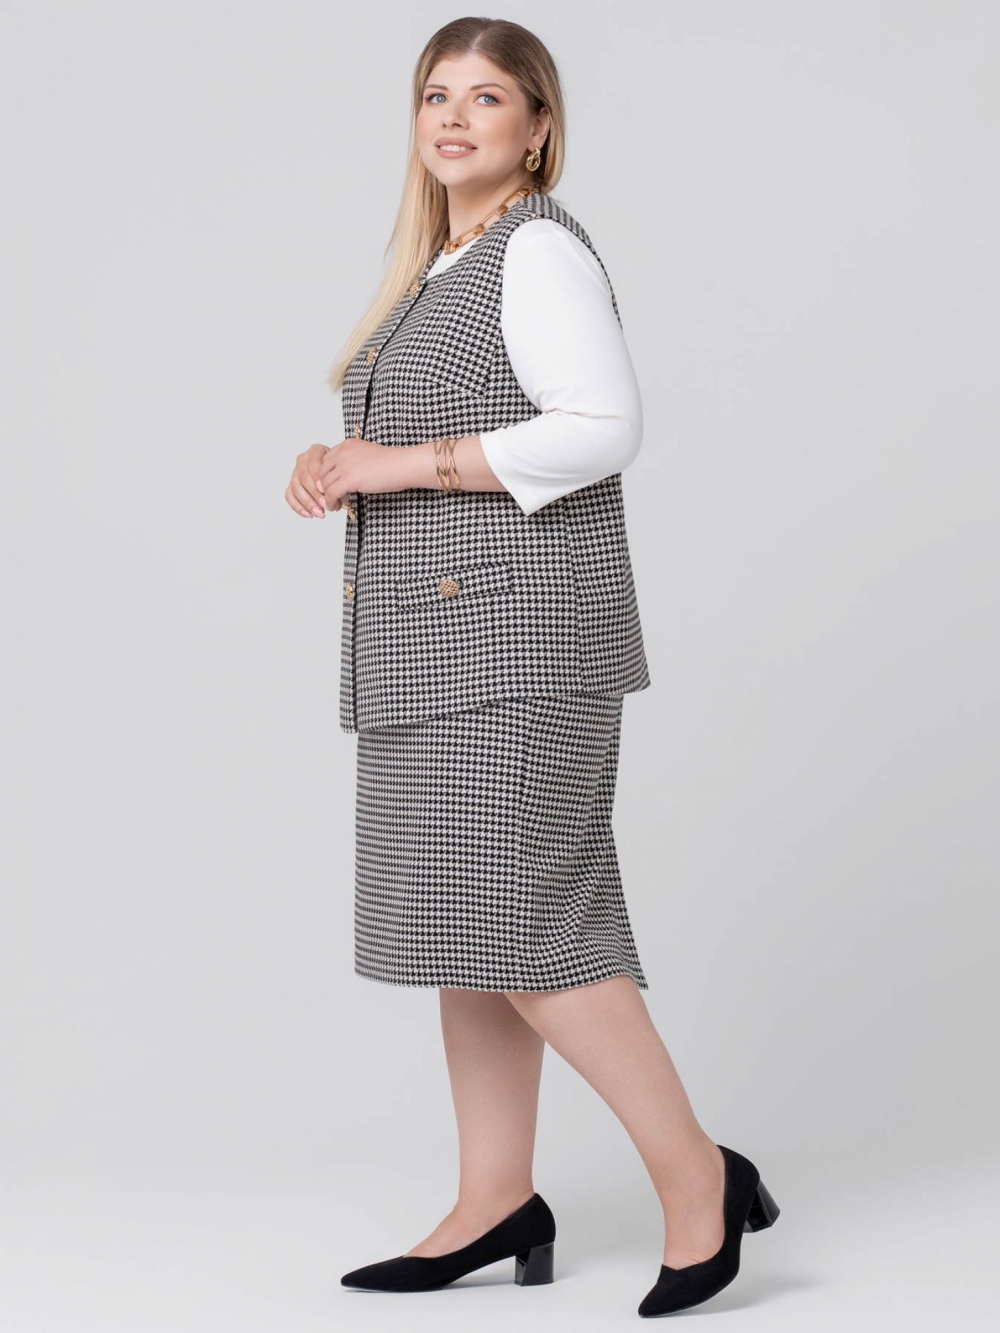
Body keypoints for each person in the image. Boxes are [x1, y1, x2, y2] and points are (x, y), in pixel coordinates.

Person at [284, 16, 779, 1318]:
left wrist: (399, 462)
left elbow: (604, 426)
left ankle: (700, 1178)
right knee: (473, 926)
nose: (453, 118)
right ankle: (496, 1197)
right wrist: (342, 462)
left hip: (519, 644)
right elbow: (448, 431)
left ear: (538, 127)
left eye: (487, 97)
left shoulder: (536, 248)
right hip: (434, 643)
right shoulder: (434, 269)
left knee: (536, 925)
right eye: (434, 95)